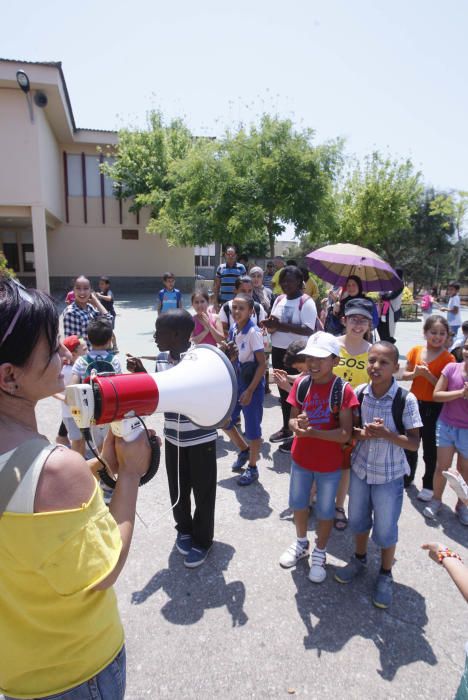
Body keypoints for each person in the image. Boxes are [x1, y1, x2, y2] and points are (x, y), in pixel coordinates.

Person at [0, 275, 152, 699]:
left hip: (18, 674)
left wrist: (101, 466)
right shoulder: (54, 470)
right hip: (77, 672)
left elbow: (21, 504)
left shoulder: (38, 470)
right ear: (10, 377)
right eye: (51, 350)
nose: (64, 355)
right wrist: (131, 475)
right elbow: (105, 569)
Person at [127, 309, 218, 567]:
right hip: (174, 438)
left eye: (159, 332)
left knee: (203, 491)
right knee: (178, 488)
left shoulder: (199, 358)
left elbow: (206, 392)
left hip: (201, 438)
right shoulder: (162, 358)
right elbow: (162, 395)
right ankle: (184, 529)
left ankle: (203, 541)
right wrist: (144, 376)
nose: (155, 337)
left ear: (176, 334)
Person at [334, 341, 422, 608]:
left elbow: (414, 442)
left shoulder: (405, 399)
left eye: (384, 362)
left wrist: (386, 434)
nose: (376, 366)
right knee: (359, 520)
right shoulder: (360, 393)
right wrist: (364, 433)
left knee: (385, 529)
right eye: (372, 360)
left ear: (396, 367)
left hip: (389, 475)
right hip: (361, 471)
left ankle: (385, 574)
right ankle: (359, 559)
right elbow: (353, 431)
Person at [278, 332, 358, 582]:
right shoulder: (302, 384)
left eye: (321, 358)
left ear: (335, 360)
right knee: (299, 505)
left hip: (329, 465)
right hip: (301, 459)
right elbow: (292, 418)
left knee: (325, 511)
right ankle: (302, 544)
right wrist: (296, 425)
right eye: (310, 357)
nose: (313, 363)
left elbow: (345, 434)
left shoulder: (342, 390)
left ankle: (320, 552)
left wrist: (312, 432)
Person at [262, 266, 317, 451]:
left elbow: (309, 329)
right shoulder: (279, 299)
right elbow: (274, 324)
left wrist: (281, 325)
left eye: (290, 280)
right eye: (283, 281)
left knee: (299, 394)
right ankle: (287, 428)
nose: (286, 284)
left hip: (298, 355)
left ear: (300, 282)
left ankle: (300, 434)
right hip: (278, 351)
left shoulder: (306, 302)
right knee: (284, 393)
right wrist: (269, 326)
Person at [402, 315, 455, 499]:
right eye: (433, 332)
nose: (437, 337)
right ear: (425, 333)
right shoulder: (416, 350)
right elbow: (403, 375)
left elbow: (445, 389)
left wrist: (428, 377)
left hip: (435, 408)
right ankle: (407, 477)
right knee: (410, 443)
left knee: (431, 449)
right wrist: (415, 373)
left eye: (442, 333)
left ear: (447, 336)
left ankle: (428, 485)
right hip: (413, 403)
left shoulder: (449, 359)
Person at [332, 297, 374, 530]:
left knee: (345, 464)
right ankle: (313, 496)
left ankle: (339, 506)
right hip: (327, 412)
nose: (358, 325)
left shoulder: (373, 352)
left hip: (355, 416)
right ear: (343, 320)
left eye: (364, 320)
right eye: (353, 319)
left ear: (370, 325)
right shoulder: (330, 344)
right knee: (321, 458)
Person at [423, 336, 468, 526]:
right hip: (446, 425)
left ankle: (462, 505)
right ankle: (436, 500)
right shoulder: (451, 368)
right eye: (467, 347)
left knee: (464, 471)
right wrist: (460, 393)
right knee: (442, 467)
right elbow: (437, 394)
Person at [223, 294, 266, 486]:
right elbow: (233, 355)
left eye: (241, 308)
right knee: (225, 421)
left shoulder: (253, 333)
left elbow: (262, 365)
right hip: (237, 382)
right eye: (234, 308)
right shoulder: (234, 328)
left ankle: (253, 467)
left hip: (251, 386)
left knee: (252, 430)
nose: (237, 312)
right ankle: (243, 450)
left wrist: (249, 391)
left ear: (251, 311)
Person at [70, 318, 122, 456]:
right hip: (110, 411)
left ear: (88, 338)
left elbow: (73, 387)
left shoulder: (81, 361)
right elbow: (120, 386)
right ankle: (108, 474)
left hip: (90, 412)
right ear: (110, 339)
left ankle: (98, 473)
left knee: (95, 449)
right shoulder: (114, 361)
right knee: (109, 446)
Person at [53, 334, 87, 449]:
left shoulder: (75, 368)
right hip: (71, 414)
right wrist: (65, 399)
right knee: (77, 441)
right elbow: (53, 391)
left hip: (77, 413)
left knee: (80, 439)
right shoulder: (68, 371)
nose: (88, 352)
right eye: (85, 350)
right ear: (73, 354)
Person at [63, 275, 112, 348]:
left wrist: (96, 301)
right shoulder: (71, 312)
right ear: (73, 290)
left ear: (91, 291)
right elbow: (74, 346)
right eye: (78, 288)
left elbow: (108, 321)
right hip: (84, 358)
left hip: (94, 354)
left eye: (86, 288)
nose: (82, 292)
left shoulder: (89, 308)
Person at [377, 268, 404, 343]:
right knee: (381, 327)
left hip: (391, 311)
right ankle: (384, 343)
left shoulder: (399, 284)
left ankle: (388, 346)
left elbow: (391, 296)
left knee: (388, 331)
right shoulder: (393, 284)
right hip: (385, 311)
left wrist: (383, 296)